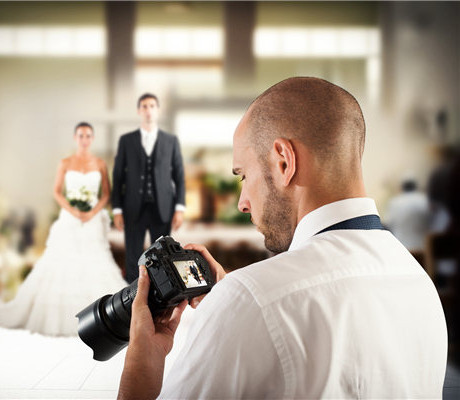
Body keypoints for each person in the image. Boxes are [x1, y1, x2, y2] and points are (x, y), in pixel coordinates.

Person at [118, 77, 447, 399]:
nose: (242, 202)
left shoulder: (250, 301)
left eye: (244, 176)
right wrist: (234, 305)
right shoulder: (421, 284)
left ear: (284, 162)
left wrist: (138, 376)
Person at [0, 122, 126, 336]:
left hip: (92, 218)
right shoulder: (65, 163)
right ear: (75, 138)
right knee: (63, 259)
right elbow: (57, 192)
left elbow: (106, 193)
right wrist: (73, 210)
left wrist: (91, 211)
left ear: (92, 138)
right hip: (70, 217)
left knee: (93, 260)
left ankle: (101, 314)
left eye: (88, 135)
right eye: (81, 135)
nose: (84, 139)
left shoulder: (99, 163)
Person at [112, 93, 186, 283]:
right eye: (144, 106)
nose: (148, 110)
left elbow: (179, 175)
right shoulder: (126, 141)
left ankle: (162, 295)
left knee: (162, 255)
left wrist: (179, 208)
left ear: (157, 110)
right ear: (139, 111)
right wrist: (117, 209)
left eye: (152, 106)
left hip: (163, 208)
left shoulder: (171, 141)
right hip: (132, 208)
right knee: (133, 257)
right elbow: (118, 175)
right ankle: (131, 299)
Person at [385, 179, 431, 251]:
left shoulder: (395, 202)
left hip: (402, 246)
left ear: (403, 188)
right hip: (423, 247)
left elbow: (388, 223)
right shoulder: (423, 200)